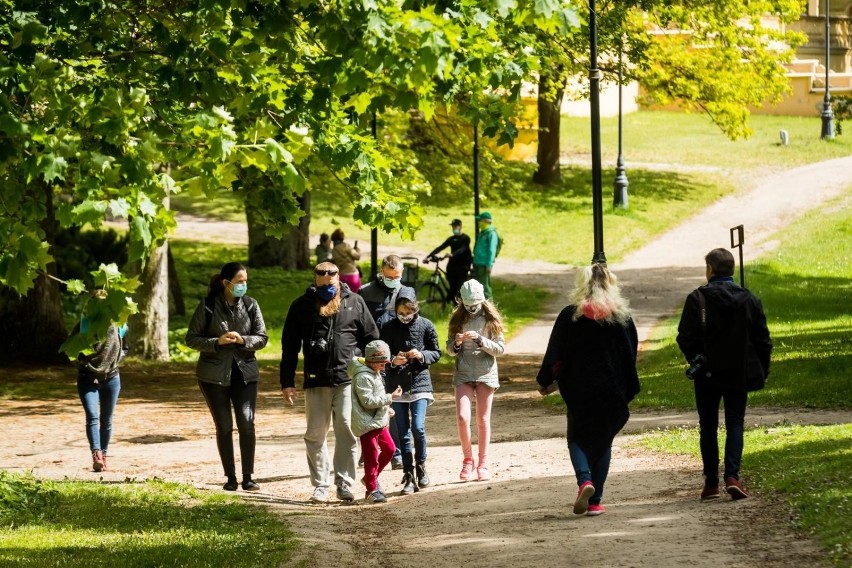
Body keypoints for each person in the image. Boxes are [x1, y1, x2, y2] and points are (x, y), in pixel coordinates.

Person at [535, 263, 640, 517]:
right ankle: (596, 502)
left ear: (583, 284)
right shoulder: (622, 318)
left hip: (579, 388)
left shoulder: (570, 315)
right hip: (612, 388)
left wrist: (545, 379)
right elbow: (630, 354)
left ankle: (585, 481)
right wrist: (627, 385)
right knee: (604, 441)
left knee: (577, 438)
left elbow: (554, 352)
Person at [676, 248, 772, 501]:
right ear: (731, 270)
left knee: (708, 426)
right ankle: (732, 476)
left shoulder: (697, 299)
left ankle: (710, 483)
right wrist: (764, 369)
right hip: (738, 372)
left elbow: (684, 336)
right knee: (735, 423)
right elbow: (763, 340)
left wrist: (695, 358)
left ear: (710, 269)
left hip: (706, 373)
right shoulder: (749, 299)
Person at [280, 261, 380, 503]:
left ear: (338, 279)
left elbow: (372, 338)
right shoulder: (301, 306)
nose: (327, 286)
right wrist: (287, 381)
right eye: (322, 281)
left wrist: (370, 369)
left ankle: (345, 483)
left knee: (346, 429)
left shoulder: (355, 302)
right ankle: (321, 485)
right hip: (316, 380)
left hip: (347, 380)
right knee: (315, 434)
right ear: (315, 280)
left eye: (331, 281)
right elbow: (290, 347)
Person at [185, 262, 269, 492]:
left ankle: (248, 477)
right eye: (240, 281)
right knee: (224, 426)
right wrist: (216, 342)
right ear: (226, 283)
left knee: (247, 423)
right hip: (213, 376)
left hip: (245, 374)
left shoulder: (251, 306)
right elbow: (192, 338)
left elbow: (262, 337)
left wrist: (243, 340)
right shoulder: (208, 306)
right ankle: (230, 477)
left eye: (245, 281)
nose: (244, 285)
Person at [380, 288, 441, 494]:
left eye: (408, 312)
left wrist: (422, 355)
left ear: (416, 309)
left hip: (420, 384)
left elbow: (436, 352)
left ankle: (422, 466)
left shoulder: (426, 325)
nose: (404, 316)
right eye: (400, 312)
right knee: (403, 432)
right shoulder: (388, 327)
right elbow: (382, 356)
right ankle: (408, 474)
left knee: (418, 427)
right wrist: (393, 361)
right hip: (397, 386)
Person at [358, 254, 416, 470]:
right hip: (374, 355)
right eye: (389, 276)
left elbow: (414, 321)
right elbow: (361, 324)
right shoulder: (366, 292)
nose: (394, 280)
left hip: (399, 355)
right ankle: (369, 448)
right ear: (381, 273)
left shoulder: (407, 292)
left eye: (398, 276)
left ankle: (397, 453)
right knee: (371, 402)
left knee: (395, 405)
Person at [447, 279, 505, 482]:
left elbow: (500, 349)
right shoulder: (457, 318)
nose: (471, 308)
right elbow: (449, 349)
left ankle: (483, 463)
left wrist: (481, 340)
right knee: (463, 417)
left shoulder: (491, 320)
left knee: (482, 419)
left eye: (475, 305)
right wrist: (456, 343)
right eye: (468, 305)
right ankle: (467, 460)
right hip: (463, 373)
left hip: (485, 373)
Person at [348, 340, 403, 504]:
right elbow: (368, 401)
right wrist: (390, 397)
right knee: (371, 455)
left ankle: (370, 479)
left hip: (378, 421)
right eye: (381, 363)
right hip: (366, 423)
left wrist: (387, 407)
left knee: (390, 449)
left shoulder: (374, 372)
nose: (384, 367)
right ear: (372, 360)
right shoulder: (363, 376)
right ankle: (371, 489)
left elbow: (376, 400)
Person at [76, 316, 128, 472]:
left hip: (111, 378)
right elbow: (72, 350)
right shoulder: (84, 323)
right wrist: (86, 366)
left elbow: (125, 346)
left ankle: (104, 456)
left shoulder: (119, 324)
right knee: (92, 415)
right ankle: (96, 454)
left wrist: (114, 362)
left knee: (106, 419)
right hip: (87, 378)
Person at [426, 219, 472, 304]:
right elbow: (440, 247)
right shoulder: (451, 239)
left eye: (456, 226)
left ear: (460, 226)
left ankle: (457, 302)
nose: (454, 228)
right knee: (452, 286)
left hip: (463, 266)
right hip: (452, 266)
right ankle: (452, 299)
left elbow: (463, 249)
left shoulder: (466, 238)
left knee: (459, 288)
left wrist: (452, 254)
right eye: (453, 226)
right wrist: (428, 257)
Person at [471, 211, 499, 300]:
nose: (479, 222)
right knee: (478, 289)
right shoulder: (482, 233)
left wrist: (489, 265)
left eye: (480, 221)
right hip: (478, 263)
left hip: (484, 265)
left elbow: (492, 250)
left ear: (485, 221)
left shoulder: (491, 233)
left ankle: (490, 309)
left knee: (485, 288)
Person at [330, 228, 362, 294]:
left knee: (344, 297)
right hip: (353, 275)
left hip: (342, 276)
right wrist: (358, 250)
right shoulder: (346, 246)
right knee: (357, 297)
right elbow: (357, 256)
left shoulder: (333, 250)